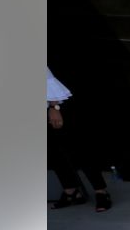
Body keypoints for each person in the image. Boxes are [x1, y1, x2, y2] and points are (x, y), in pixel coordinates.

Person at [47, 67, 112, 212]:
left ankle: (101, 191)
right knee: (52, 150)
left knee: (79, 147)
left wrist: (54, 107)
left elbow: (46, 77)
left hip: (57, 104)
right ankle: (71, 191)